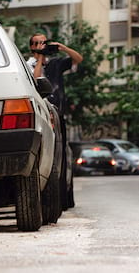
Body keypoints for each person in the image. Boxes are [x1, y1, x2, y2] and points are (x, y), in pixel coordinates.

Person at [28, 32, 83, 210]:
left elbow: (78, 59)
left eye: (44, 43)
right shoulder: (28, 64)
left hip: (58, 115)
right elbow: (36, 81)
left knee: (62, 158)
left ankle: (62, 201)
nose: (41, 46)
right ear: (31, 47)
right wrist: (40, 59)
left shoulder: (56, 63)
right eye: (37, 43)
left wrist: (62, 47)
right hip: (42, 115)